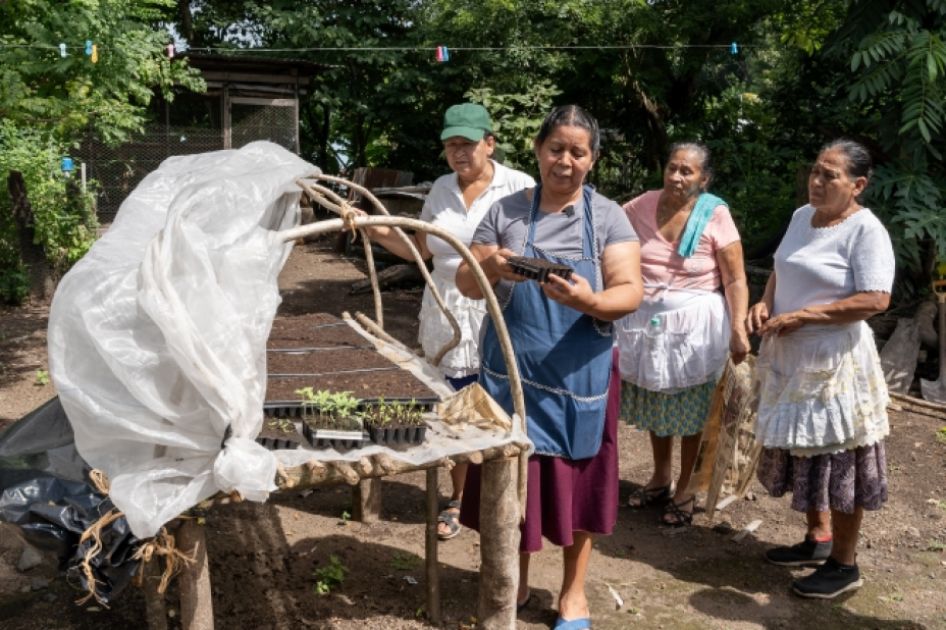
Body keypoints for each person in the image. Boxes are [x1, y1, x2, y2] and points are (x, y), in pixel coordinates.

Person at [455, 105, 643, 629]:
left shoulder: (607, 217)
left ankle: (573, 594)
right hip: (510, 378)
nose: (565, 161)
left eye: (577, 152)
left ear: (593, 159)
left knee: (578, 492)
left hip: (578, 381)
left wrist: (588, 300)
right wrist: (490, 264)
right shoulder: (506, 211)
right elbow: (467, 285)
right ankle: (509, 583)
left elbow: (629, 293)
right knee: (509, 489)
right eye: (555, 148)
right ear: (538, 151)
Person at [360, 103, 534, 541]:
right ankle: (459, 500)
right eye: (451, 145)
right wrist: (375, 230)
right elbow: (422, 249)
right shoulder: (440, 188)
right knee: (454, 404)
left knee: (500, 400)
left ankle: (507, 497)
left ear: (489, 143)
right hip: (447, 306)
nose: (459, 153)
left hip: (499, 305)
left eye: (468, 144)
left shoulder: (521, 187)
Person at [746, 139, 894, 599]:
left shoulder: (865, 230)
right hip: (791, 357)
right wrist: (765, 302)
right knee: (806, 452)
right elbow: (781, 269)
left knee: (840, 457)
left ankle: (844, 565)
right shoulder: (799, 218)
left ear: (858, 185)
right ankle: (818, 538)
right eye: (815, 171)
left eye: (830, 175)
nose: (817, 181)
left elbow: (876, 299)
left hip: (834, 363)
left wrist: (804, 316)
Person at [615, 142, 749, 526]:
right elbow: (609, 235)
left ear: (703, 179)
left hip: (695, 328)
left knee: (692, 412)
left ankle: (687, 487)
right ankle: (660, 476)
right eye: (672, 168)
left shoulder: (715, 214)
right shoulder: (642, 205)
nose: (676, 177)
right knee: (659, 402)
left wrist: (738, 327)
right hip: (647, 323)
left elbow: (736, 278)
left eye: (686, 171)